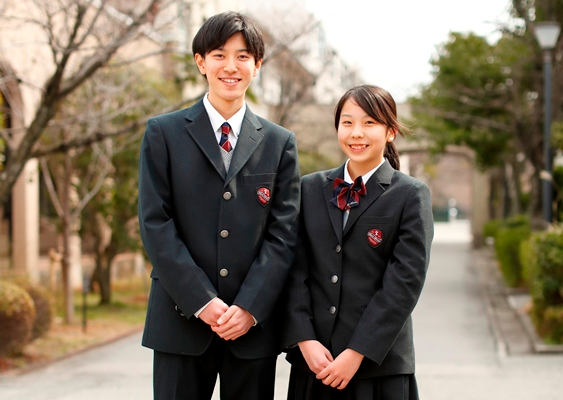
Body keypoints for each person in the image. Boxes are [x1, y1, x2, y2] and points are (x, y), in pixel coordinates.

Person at [138, 11, 300, 400]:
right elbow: (155, 224)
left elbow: (284, 234)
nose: (231, 66)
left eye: (243, 56)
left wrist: (249, 307)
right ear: (200, 62)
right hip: (180, 321)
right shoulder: (163, 133)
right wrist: (202, 302)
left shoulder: (280, 143)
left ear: (257, 65)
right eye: (219, 55)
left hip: (252, 329)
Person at [282, 84, 434, 400]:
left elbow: (403, 285)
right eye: (347, 122)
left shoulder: (409, 195)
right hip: (315, 363)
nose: (356, 133)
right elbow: (293, 270)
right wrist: (305, 340)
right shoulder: (309, 188)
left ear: (390, 132)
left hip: (379, 367)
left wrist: (356, 352)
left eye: (369, 123)